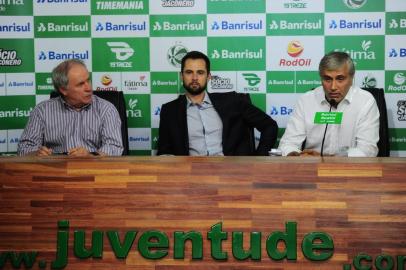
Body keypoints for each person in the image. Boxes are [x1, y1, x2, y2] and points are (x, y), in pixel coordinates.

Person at [157, 51, 278, 156]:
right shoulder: (170, 110)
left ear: (209, 76)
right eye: (189, 72)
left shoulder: (233, 101)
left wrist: (258, 158)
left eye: (200, 72)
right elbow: (164, 151)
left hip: (232, 174)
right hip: (191, 175)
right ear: (181, 76)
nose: (194, 77)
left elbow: (269, 126)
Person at [278, 51, 379, 157]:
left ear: (351, 79)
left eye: (340, 79)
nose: (333, 87)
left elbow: (368, 150)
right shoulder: (306, 100)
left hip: (349, 168)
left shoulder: (365, 101)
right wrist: (297, 155)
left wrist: (329, 159)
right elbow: (287, 144)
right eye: (328, 79)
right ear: (321, 79)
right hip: (311, 167)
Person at [17, 59, 123, 156]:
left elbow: (114, 147)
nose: (89, 88)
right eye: (81, 84)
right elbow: (24, 148)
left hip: (93, 170)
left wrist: (91, 156)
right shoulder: (42, 111)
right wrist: (36, 153)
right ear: (63, 90)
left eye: (88, 80)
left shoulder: (106, 109)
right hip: (55, 170)